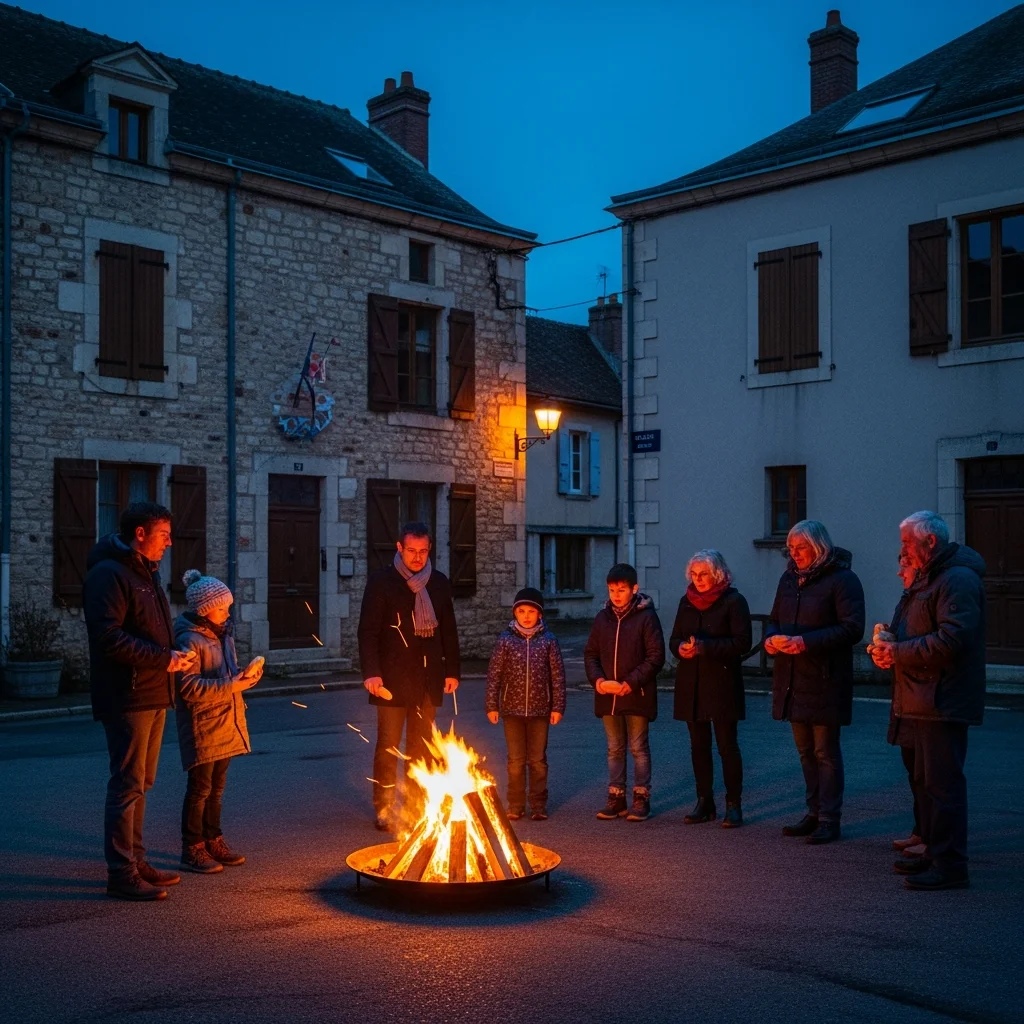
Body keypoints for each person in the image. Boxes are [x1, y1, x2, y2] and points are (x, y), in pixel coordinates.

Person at [83, 502, 198, 901]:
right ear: (141, 534)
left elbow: (153, 632)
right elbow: (108, 637)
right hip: (127, 694)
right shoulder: (109, 575)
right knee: (127, 783)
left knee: (142, 783)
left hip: (152, 690)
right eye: (164, 534)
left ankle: (136, 860)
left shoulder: (145, 574)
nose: (169, 542)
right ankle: (120, 872)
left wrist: (177, 653)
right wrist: (162, 658)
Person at [869, 511, 986, 891]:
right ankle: (936, 853)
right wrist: (889, 644)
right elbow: (915, 628)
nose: (902, 549)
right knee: (929, 782)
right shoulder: (930, 578)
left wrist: (899, 651)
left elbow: (952, 640)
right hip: (921, 695)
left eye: (906, 542)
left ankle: (950, 865)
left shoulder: (957, 580)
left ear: (929, 542)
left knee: (943, 785)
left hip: (942, 698)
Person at [766, 520, 865, 845]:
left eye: (800, 548)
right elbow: (775, 619)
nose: (794, 555)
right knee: (805, 751)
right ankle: (812, 812)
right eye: (791, 549)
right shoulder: (788, 579)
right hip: (793, 677)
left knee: (825, 752)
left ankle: (829, 818)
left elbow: (852, 628)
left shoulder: (843, 580)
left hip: (824, 678)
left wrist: (806, 642)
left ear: (819, 546)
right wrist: (770, 640)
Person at [357, 521, 461, 831]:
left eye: (423, 551)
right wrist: (372, 674)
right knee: (388, 746)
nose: (417, 557)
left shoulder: (439, 583)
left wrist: (452, 670)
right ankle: (384, 807)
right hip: (389, 679)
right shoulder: (381, 582)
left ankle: (417, 806)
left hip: (427, 677)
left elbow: (449, 631)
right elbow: (368, 632)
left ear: (430, 550)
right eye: (411, 551)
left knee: (421, 746)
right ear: (399, 549)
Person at [173, 570, 263, 874]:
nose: (227, 612)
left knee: (217, 787)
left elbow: (229, 675)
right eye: (222, 607)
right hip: (203, 725)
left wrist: (245, 679)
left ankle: (214, 839)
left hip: (225, 721)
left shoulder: (222, 634)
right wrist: (231, 685)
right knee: (200, 788)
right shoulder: (189, 640)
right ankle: (192, 847)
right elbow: (189, 688)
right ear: (204, 609)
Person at [669, 549, 752, 828]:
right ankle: (704, 801)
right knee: (698, 746)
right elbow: (675, 639)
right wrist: (681, 648)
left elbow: (742, 642)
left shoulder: (734, 601)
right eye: (694, 574)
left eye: (703, 574)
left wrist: (705, 647)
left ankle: (733, 804)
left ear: (717, 573)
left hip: (722, 683)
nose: (698, 579)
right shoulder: (686, 601)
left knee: (727, 746)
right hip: (691, 683)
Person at [584, 563, 665, 822]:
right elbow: (591, 654)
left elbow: (655, 657)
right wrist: (598, 681)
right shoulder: (602, 618)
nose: (616, 595)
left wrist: (631, 683)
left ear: (634, 589)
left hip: (636, 694)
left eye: (621, 589)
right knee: (614, 748)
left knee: (638, 747)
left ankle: (641, 797)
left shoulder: (646, 617)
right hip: (608, 696)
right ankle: (616, 796)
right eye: (611, 590)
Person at [485, 587, 566, 821]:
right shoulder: (506, 640)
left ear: (539, 614)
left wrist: (557, 707)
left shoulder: (549, 641)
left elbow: (558, 676)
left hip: (541, 710)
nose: (526, 616)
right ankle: (516, 803)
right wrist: (492, 704)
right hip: (512, 710)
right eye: (521, 611)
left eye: (531, 611)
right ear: (515, 613)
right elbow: (494, 674)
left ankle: (538, 804)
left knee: (538, 760)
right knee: (515, 761)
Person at [872, 554, 924, 858]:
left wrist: (896, 649)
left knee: (929, 775)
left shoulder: (930, 594)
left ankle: (933, 839)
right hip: (908, 694)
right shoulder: (910, 597)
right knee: (914, 770)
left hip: (925, 696)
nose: (898, 571)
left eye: (904, 564)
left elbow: (937, 640)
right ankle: (921, 831)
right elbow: (904, 635)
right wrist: (884, 641)